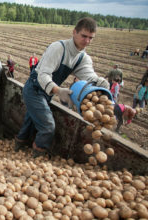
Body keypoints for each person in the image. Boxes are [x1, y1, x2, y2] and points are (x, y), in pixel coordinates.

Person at [14, 17, 109, 158]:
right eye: (84, 36)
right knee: (47, 126)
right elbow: (43, 75)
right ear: (74, 32)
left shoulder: (83, 58)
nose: (87, 41)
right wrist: (58, 90)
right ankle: (37, 154)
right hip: (34, 88)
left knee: (31, 119)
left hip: (47, 93)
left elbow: (91, 78)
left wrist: (104, 85)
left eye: (91, 38)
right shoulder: (58, 48)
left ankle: (18, 145)